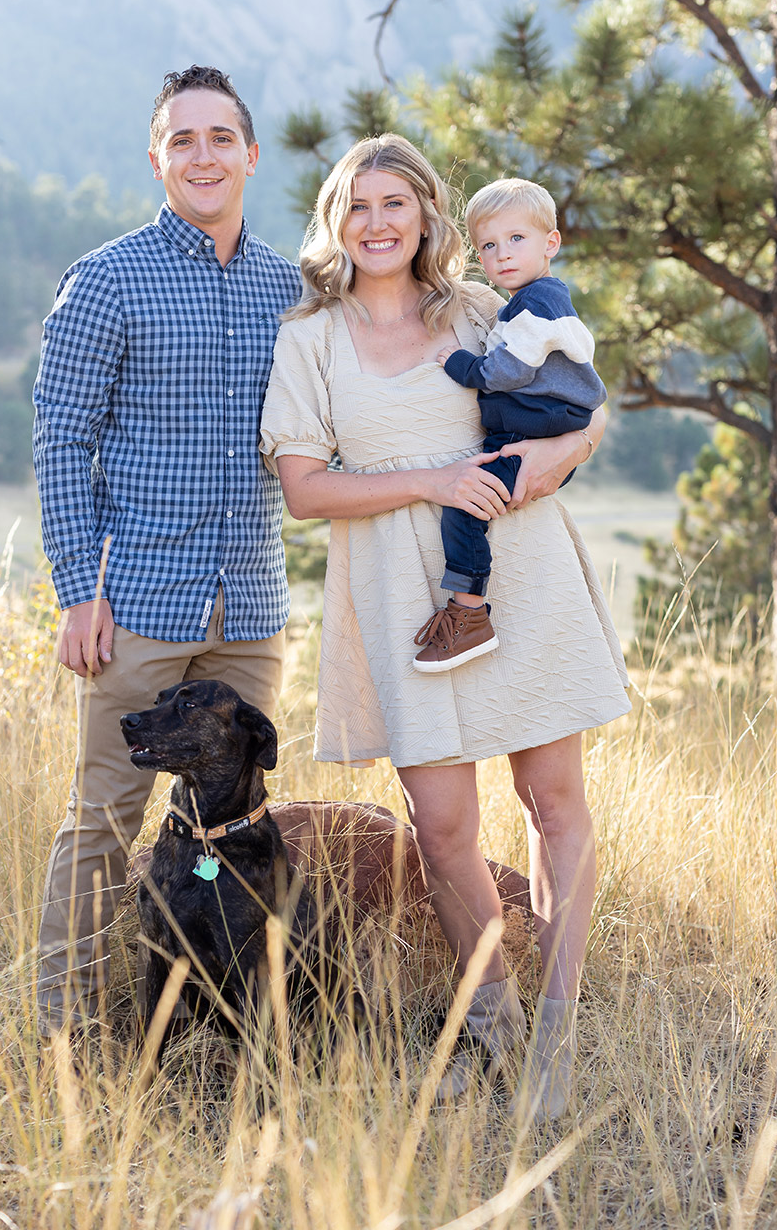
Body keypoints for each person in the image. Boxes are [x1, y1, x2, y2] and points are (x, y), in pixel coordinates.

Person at [259, 134, 630, 1121]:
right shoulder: (311, 338)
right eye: (358, 204)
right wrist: (432, 479)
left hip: (520, 568)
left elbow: (582, 406)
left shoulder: (477, 308)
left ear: (427, 215)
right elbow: (304, 490)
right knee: (442, 825)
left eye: (397, 202)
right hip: (395, 594)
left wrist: (539, 469)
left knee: (554, 803)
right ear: (337, 220)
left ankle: (555, 1030)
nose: (377, 221)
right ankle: (491, 1026)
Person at [32, 65, 300, 1038]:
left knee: (234, 837)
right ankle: (68, 1043)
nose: (201, 155)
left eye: (219, 137)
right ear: (156, 159)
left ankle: (220, 1036)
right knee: (105, 826)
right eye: (181, 140)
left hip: (252, 620)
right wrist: (76, 590)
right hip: (138, 605)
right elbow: (62, 436)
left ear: (251, 155)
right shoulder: (105, 280)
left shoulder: (287, 287)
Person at [412, 176, 606, 672]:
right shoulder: (533, 299)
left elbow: (506, 372)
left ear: (551, 243)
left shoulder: (537, 305)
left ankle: (469, 612)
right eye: (488, 246)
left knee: (466, 506)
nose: (502, 255)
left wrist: (459, 364)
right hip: (535, 429)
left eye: (516, 239)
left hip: (533, 434)